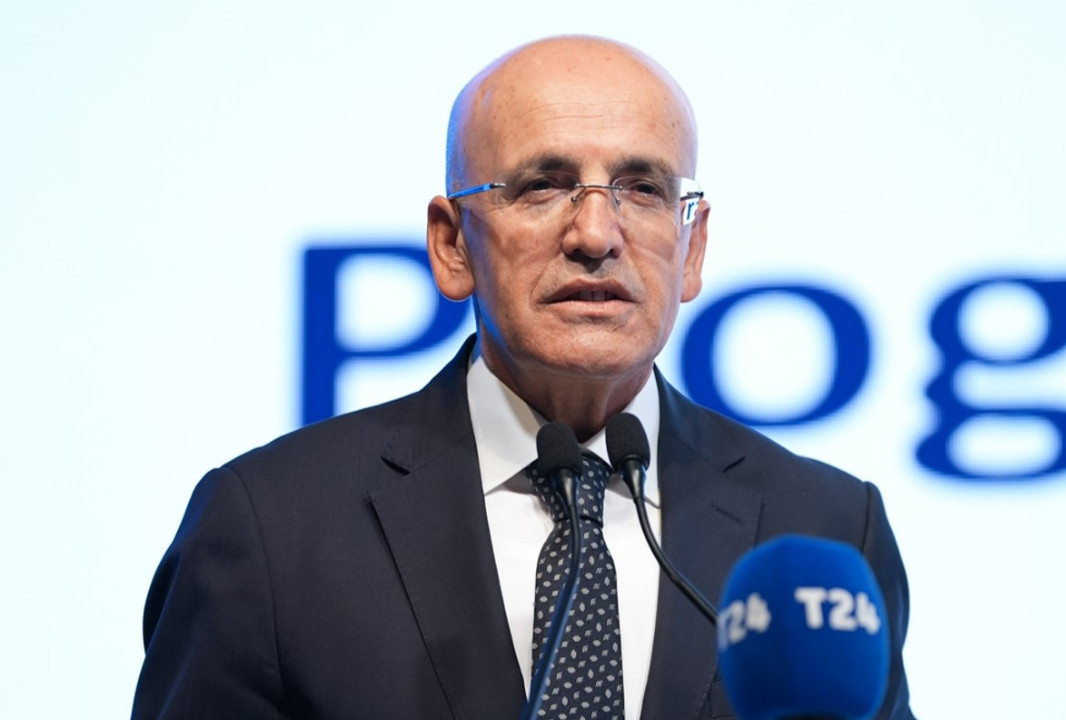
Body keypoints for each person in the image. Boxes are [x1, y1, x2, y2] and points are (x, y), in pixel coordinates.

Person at [131, 35, 916, 720]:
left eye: (643, 189)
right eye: (543, 185)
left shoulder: (825, 529)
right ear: (452, 245)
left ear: (692, 247)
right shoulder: (271, 529)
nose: (596, 234)